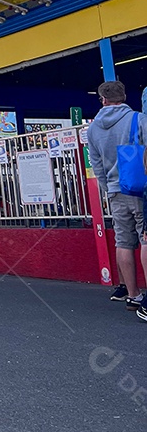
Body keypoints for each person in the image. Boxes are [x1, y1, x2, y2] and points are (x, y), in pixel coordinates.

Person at [87, 80, 147, 315]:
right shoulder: (138, 119)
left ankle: (133, 295)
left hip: (115, 189)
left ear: (103, 99)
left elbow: (96, 164)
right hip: (141, 189)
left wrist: (108, 186)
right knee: (145, 238)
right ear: (123, 97)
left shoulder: (92, 129)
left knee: (123, 241)